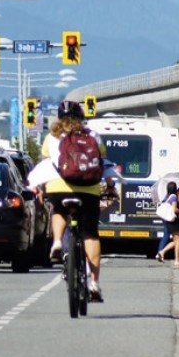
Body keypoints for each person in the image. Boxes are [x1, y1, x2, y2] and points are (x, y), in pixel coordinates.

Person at [43, 100, 111, 303]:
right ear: (81, 117)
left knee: (58, 210)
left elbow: (46, 164)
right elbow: (104, 162)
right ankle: (94, 283)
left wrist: (40, 188)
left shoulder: (51, 137)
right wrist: (110, 185)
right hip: (89, 190)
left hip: (59, 188)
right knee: (90, 233)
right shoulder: (93, 135)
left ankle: (57, 242)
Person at [156, 182, 179, 267]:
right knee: (178, 241)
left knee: (177, 241)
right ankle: (177, 260)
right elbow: (174, 209)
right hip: (174, 221)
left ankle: (162, 252)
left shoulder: (167, 197)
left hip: (169, 221)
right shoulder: (173, 197)